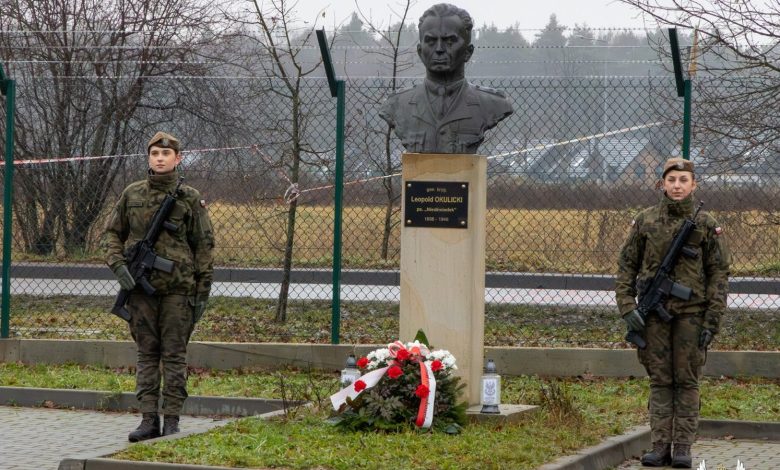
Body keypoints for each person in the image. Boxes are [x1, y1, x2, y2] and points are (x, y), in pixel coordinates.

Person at [616, 158, 731, 468]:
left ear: (694, 185)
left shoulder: (705, 224)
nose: (677, 186)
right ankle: (660, 447)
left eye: (683, 180)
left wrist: (712, 319)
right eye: (671, 180)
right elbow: (626, 266)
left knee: (687, 381)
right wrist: (627, 307)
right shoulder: (645, 220)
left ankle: (682, 448)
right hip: (653, 318)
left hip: (692, 316)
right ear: (662, 184)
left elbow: (719, 274)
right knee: (660, 381)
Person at [102, 131, 214, 442]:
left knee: (174, 355)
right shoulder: (132, 194)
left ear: (178, 159)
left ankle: (172, 421)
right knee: (147, 354)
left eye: (166, 154)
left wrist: (202, 292)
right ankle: (148, 419)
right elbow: (111, 234)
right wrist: (119, 266)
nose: (160, 158)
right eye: (154, 154)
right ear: (148, 158)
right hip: (141, 291)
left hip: (179, 290)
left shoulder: (189, 198)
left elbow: (204, 246)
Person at [379, 3, 513, 154]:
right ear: (420, 52)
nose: (439, 49)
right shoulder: (397, 104)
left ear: (468, 52)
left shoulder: (492, 104)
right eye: (431, 41)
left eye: (449, 41)